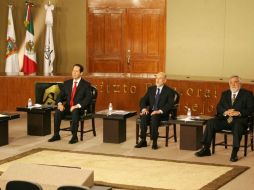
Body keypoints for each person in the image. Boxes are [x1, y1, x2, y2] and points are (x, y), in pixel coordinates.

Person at [195, 75, 254, 162]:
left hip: (239, 120)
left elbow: (251, 108)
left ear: (240, 83)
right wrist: (226, 112)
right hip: (226, 120)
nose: (233, 84)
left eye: (235, 82)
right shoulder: (225, 93)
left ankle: (234, 152)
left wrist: (238, 112)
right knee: (211, 122)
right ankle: (206, 148)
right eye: (231, 82)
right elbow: (219, 107)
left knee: (237, 125)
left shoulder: (247, 94)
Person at [48, 64, 92, 144]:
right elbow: (59, 96)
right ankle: (56, 134)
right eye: (73, 71)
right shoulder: (67, 83)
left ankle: (74, 137)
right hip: (68, 107)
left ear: (81, 73)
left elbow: (88, 99)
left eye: (76, 71)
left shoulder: (86, 85)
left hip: (80, 108)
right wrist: (60, 103)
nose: (74, 73)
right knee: (58, 111)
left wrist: (77, 106)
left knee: (75, 111)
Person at [135, 72, 176, 149]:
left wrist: (159, 111)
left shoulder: (169, 91)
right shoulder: (151, 89)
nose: (157, 80)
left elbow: (170, 105)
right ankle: (143, 140)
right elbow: (143, 100)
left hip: (162, 114)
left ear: (164, 80)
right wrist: (144, 108)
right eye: (156, 78)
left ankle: (154, 142)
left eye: (159, 78)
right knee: (144, 116)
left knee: (154, 117)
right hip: (151, 112)